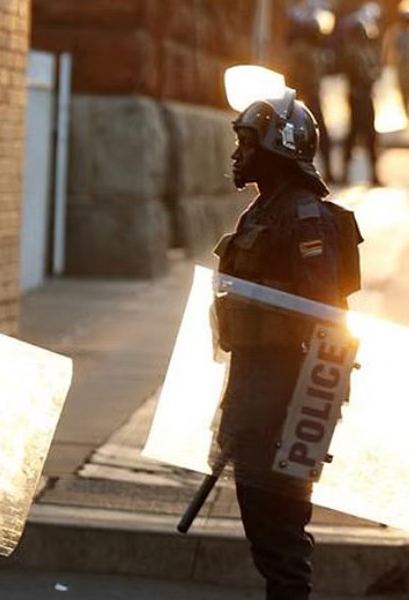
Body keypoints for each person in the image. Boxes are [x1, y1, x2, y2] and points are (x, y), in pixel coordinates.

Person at [213, 90, 361, 600]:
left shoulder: (304, 217)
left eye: (246, 143)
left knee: (281, 536)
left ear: (278, 147)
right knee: (262, 526)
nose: (237, 154)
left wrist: (303, 415)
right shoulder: (263, 211)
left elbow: (323, 315)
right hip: (255, 390)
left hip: (289, 399)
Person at [286, 3, 333, 181]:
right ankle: (298, 172)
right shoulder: (301, 51)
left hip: (309, 97)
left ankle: (323, 170)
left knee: (317, 135)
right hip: (303, 98)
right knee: (297, 136)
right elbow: (295, 76)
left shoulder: (313, 52)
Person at [338, 2, 383, 185]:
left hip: (365, 97)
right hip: (358, 98)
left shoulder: (365, 50)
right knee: (356, 135)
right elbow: (361, 75)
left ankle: (373, 174)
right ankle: (345, 172)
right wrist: (371, 76)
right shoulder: (353, 52)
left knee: (369, 136)